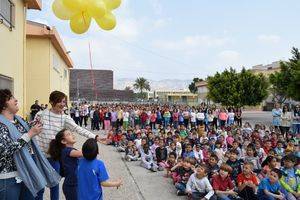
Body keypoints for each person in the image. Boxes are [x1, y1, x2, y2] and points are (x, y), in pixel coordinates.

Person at [34, 91, 103, 200]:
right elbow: (33, 132)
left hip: (54, 156)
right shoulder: (40, 115)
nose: (63, 104)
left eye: (64, 102)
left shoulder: (65, 118)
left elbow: (77, 128)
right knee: (39, 186)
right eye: (60, 102)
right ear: (52, 102)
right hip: (39, 156)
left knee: (54, 185)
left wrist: (95, 137)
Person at [0, 89, 60, 199]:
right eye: (11, 98)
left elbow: (29, 131)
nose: (16, 100)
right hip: (8, 178)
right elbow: (4, 151)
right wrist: (30, 134)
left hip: (27, 173)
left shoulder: (19, 121)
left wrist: (38, 123)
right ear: (3, 105)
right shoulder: (1, 125)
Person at [48, 129, 82, 200]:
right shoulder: (66, 151)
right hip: (71, 186)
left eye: (71, 133)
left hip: (75, 184)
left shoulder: (72, 150)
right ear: (63, 141)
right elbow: (84, 153)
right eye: (68, 134)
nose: (72, 135)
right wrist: (92, 145)